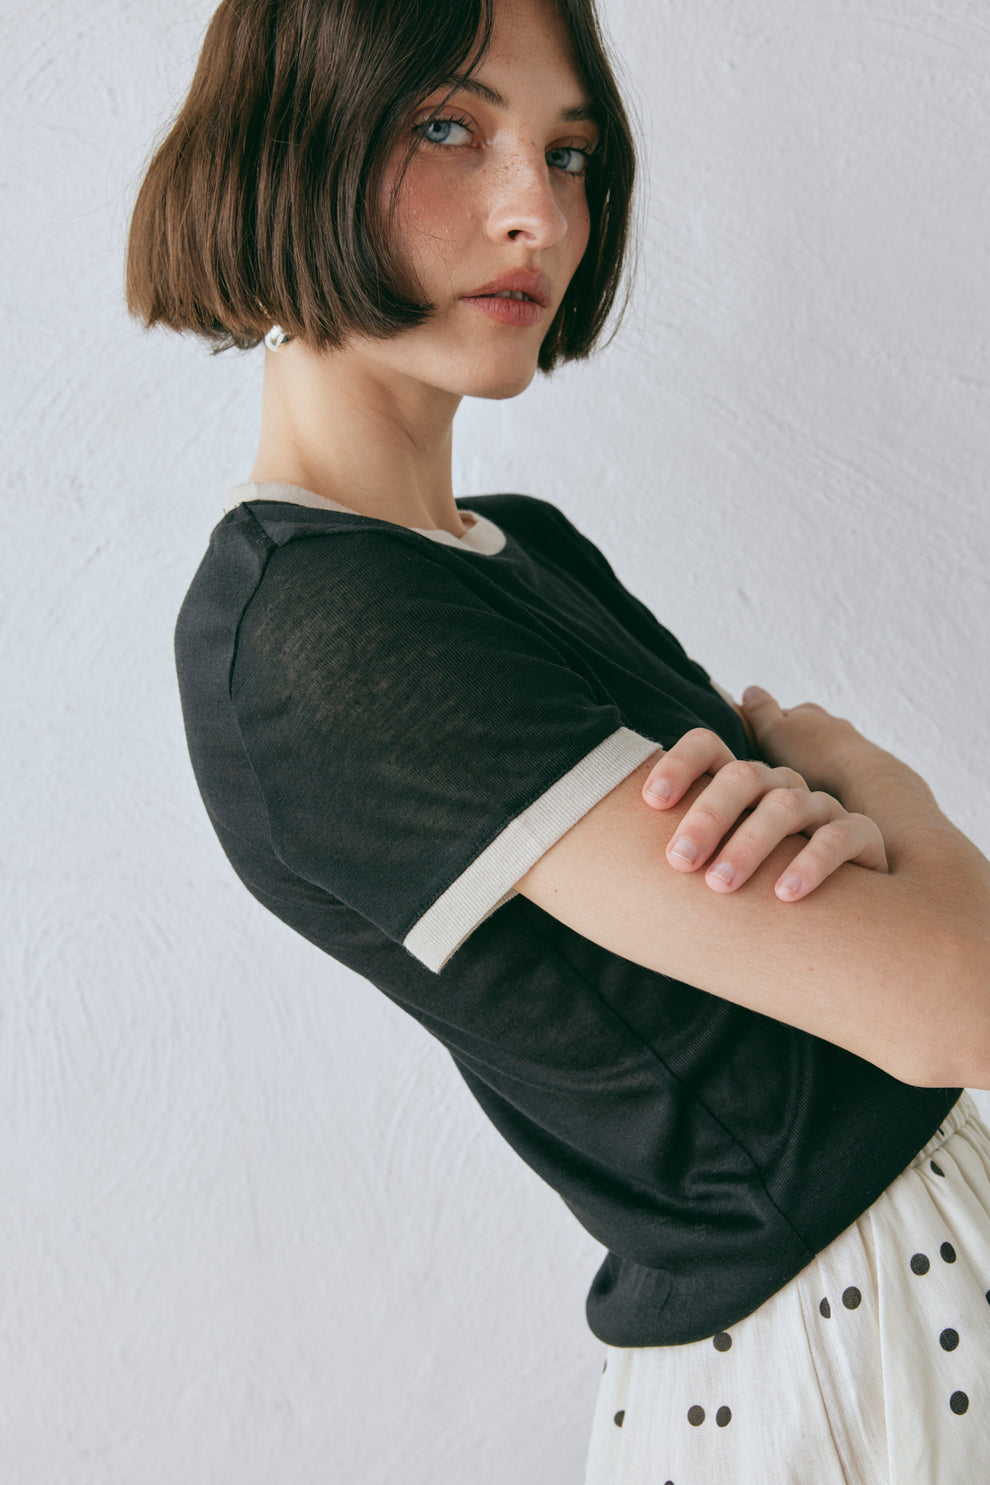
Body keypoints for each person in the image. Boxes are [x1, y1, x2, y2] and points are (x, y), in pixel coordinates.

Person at [126, 0, 990, 1478]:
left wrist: (879, 836)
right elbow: (959, 1003)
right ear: (285, 145)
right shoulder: (324, 635)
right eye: (447, 128)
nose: (538, 209)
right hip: (851, 1338)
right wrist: (884, 789)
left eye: (570, 152)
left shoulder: (516, 549)